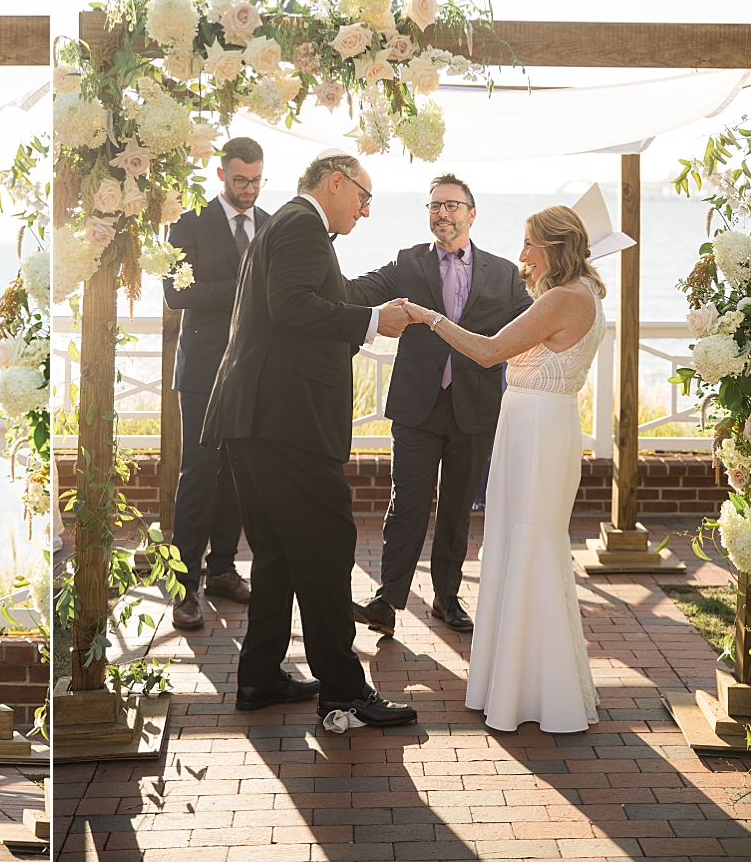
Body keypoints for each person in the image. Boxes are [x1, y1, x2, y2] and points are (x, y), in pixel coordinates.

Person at [201, 150, 416, 727]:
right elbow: (292, 306)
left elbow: (317, 303)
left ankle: (259, 676)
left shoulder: (288, 226)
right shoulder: (301, 224)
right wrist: (372, 323)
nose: (366, 211)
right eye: (364, 197)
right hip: (284, 423)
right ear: (337, 183)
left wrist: (372, 304)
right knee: (326, 547)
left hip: (258, 419)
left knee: (276, 552)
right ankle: (343, 689)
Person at [398, 204, 606, 733]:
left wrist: (432, 317)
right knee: (532, 542)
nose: (521, 256)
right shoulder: (586, 294)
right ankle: (528, 680)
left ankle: (525, 689)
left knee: (528, 540)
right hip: (546, 423)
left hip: (535, 429)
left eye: (530, 244)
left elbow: (489, 352)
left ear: (554, 247)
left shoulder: (563, 297)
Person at [347, 174, 532, 636]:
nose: (442, 214)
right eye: (434, 206)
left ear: (472, 213)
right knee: (407, 502)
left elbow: (532, 322)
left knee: (456, 507)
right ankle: (387, 602)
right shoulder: (409, 263)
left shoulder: (504, 273)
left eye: (451, 206)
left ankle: (447, 599)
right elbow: (360, 290)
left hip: (476, 406)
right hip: (416, 406)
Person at [162, 137, 268, 630]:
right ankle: (184, 589)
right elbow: (175, 291)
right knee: (199, 474)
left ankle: (222, 570)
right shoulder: (189, 222)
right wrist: (246, 288)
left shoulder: (269, 225)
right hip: (204, 370)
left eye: (256, 180)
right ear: (222, 174)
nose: (249, 189)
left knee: (239, 472)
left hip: (253, 370)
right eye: (241, 179)